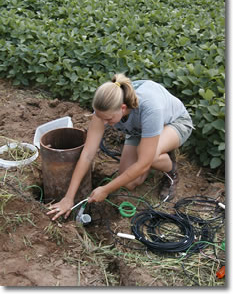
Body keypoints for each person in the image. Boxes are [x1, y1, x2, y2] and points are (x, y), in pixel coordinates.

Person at [47, 73, 193, 221]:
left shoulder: (150, 108)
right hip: (140, 130)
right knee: (129, 183)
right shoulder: (104, 110)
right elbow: (87, 154)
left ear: (123, 108)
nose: (104, 123)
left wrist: (105, 189)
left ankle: (170, 170)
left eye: (109, 119)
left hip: (175, 123)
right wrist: (68, 198)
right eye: (101, 118)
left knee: (148, 157)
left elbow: (144, 164)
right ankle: (153, 146)